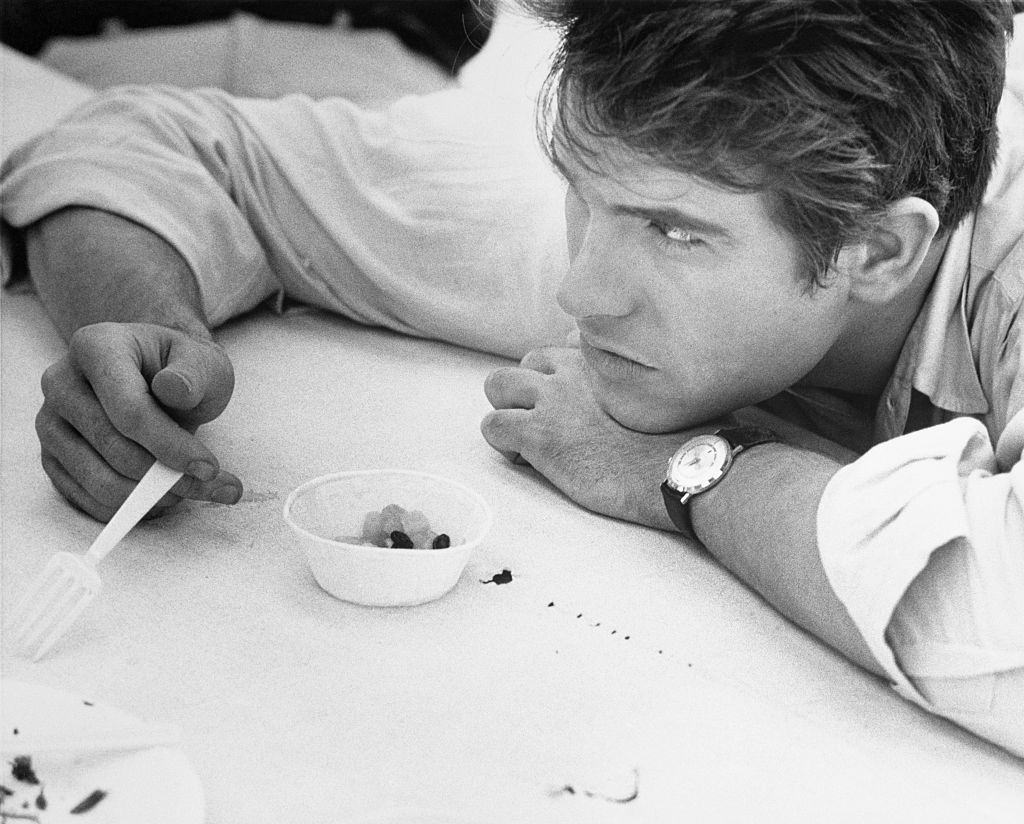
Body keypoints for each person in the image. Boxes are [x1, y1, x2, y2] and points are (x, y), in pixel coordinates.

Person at [1, 1, 1022, 758]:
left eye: (676, 233)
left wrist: (682, 468)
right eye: (583, 195)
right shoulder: (644, 155)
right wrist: (142, 329)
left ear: (880, 252)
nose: (583, 289)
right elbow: (148, 139)